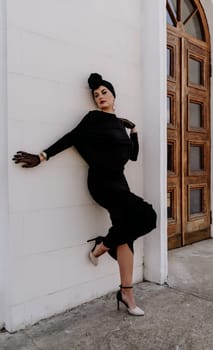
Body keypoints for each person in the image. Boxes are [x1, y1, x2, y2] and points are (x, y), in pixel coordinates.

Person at [13, 73, 157, 316]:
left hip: (120, 184)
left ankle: (126, 293)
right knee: (148, 216)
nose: (100, 96)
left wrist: (133, 131)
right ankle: (102, 246)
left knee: (126, 235)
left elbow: (132, 156)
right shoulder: (93, 119)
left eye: (104, 92)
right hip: (101, 182)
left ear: (113, 95)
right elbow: (71, 137)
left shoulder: (120, 126)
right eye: (96, 94)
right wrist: (41, 156)